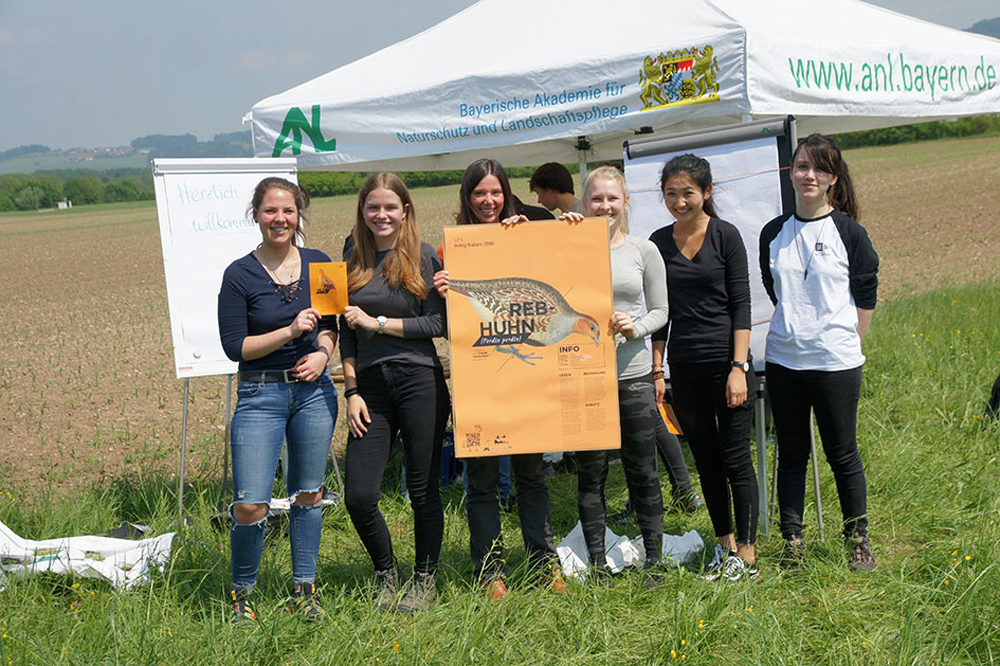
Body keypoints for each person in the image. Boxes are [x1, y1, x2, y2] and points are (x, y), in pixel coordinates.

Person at [433, 158, 563, 601]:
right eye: (479, 193)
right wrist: (444, 293)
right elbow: (448, 324)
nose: (488, 201)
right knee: (482, 482)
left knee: (531, 476)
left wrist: (549, 233)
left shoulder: (527, 233)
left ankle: (544, 565)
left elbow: (566, 268)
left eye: (495, 193)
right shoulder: (449, 252)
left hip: (526, 378)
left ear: (507, 195)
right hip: (480, 380)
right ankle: (489, 572)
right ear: (467, 199)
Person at [218, 177, 338, 622]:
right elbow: (236, 347)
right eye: (270, 211)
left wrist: (323, 354)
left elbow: (332, 326)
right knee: (251, 503)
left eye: (287, 211)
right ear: (257, 215)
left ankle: (303, 591)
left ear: (298, 214)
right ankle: (242, 595)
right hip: (260, 392)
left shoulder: (320, 263)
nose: (280, 220)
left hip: (313, 394)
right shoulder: (239, 274)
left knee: (308, 494)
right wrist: (289, 332)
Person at [759, 133, 879, 571]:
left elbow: (865, 294)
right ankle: (793, 542)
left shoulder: (850, 232)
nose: (809, 175)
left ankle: (858, 538)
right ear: (790, 172)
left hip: (836, 362)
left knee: (842, 452)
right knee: (791, 453)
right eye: (802, 166)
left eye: (819, 168)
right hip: (784, 361)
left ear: (832, 178)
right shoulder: (773, 233)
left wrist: (847, 340)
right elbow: (779, 292)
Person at [339, 172, 450, 613]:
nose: (381, 215)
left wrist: (379, 323)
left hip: (420, 380)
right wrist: (351, 391)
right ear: (363, 212)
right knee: (359, 495)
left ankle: (424, 580)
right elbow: (343, 331)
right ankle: (387, 574)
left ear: (405, 210)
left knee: (422, 489)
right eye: (373, 207)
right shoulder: (350, 259)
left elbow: (437, 325)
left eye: (390, 207)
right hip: (370, 390)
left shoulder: (422, 258)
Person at [649, 154, 760, 583]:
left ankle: (747, 556)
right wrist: (659, 372)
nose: (679, 201)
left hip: (728, 366)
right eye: (671, 193)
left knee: (736, 460)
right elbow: (661, 313)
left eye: (688, 193)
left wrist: (738, 366)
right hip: (686, 368)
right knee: (707, 462)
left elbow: (742, 305)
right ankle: (724, 546)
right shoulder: (659, 242)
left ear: (706, 193)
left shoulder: (726, 236)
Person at [558, 165, 666, 585]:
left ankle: (653, 561)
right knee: (592, 472)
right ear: (584, 203)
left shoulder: (643, 250)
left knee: (643, 469)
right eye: (596, 199)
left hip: (633, 374)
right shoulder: (567, 246)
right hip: (584, 378)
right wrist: (560, 232)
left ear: (626, 203)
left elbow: (661, 309)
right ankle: (599, 563)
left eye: (612, 198)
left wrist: (634, 328)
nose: (604, 206)